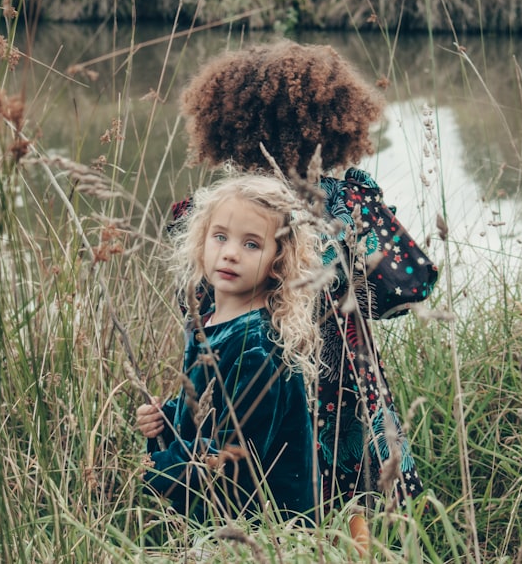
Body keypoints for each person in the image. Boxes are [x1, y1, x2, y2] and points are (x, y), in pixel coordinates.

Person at [177, 40, 439, 539]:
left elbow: (193, 304)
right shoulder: (345, 203)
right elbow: (410, 288)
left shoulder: (217, 208)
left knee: (257, 503)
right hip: (345, 383)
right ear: (334, 125)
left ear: (228, 127)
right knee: (360, 498)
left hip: (248, 386)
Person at [135, 173, 322, 526]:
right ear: (201, 242)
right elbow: (213, 412)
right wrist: (166, 423)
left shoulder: (257, 345)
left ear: (278, 260)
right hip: (225, 521)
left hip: (269, 532)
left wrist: (158, 469)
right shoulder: (211, 323)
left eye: (252, 244)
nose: (231, 253)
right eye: (220, 237)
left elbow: (235, 458)